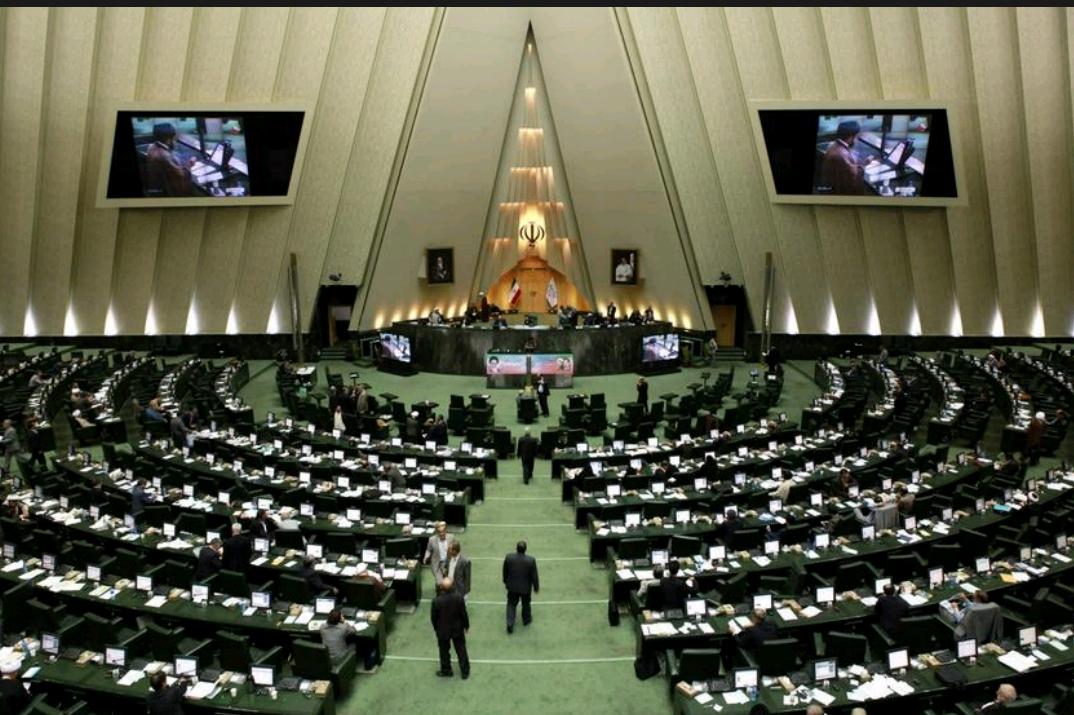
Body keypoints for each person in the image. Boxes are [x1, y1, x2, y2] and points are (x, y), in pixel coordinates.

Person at [431, 577, 470, 678]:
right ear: (453, 586)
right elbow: (463, 614)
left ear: (442, 588)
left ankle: (446, 670)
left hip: (443, 630)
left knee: (443, 651)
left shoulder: (436, 601)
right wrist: (466, 625)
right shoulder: (459, 598)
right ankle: (465, 672)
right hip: (457, 629)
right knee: (461, 650)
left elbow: (433, 618)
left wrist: (436, 628)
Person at [145, 122, 196, 197]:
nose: (174, 141)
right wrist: (190, 164)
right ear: (168, 140)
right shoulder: (166, 157)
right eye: (174, 138)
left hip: (155, 188)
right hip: (168, 193)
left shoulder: (151, 147)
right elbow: (182, 175)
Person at [818, 119, 865, 195]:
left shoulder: (833, 145)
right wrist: (864, 165)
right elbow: (853, 177)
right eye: (856, 136)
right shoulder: (842, 155)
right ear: (850, 137)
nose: (856, 139)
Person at [503, 540, 539, 633]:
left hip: (512, 587)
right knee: (526, 604)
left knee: (511, 604)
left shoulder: (509, 557)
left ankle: (510, 623)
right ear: (525, 549)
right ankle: (526, 620)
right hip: (525, 588)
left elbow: (505, 571)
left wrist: (506, 581)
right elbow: (534, 575)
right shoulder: (531, 560)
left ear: (516, 548)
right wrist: (536, 587)